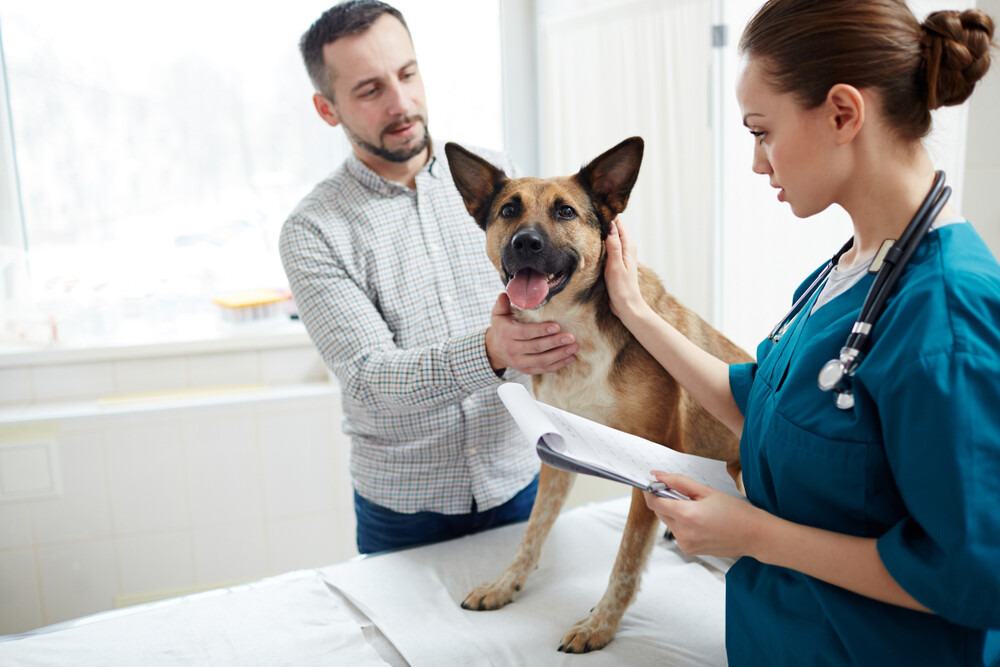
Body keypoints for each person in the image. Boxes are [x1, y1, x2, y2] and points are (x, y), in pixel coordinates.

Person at [603, 0, 1000, 664]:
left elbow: (973, 574)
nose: (759, 163)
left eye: (762, 131)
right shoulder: (848, 271)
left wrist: (755, 533)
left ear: (843, 113)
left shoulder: (946, 315)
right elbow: (757, 400)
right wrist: (637, 312)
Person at [279, 1, 578, 555]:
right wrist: (491, 350)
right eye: (370, 90)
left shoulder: (499, 182)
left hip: (518, 477)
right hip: (405, 511)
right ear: (328, 109)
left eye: (408, 74)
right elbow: (368, 380)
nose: (402, 103)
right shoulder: (313, 229)